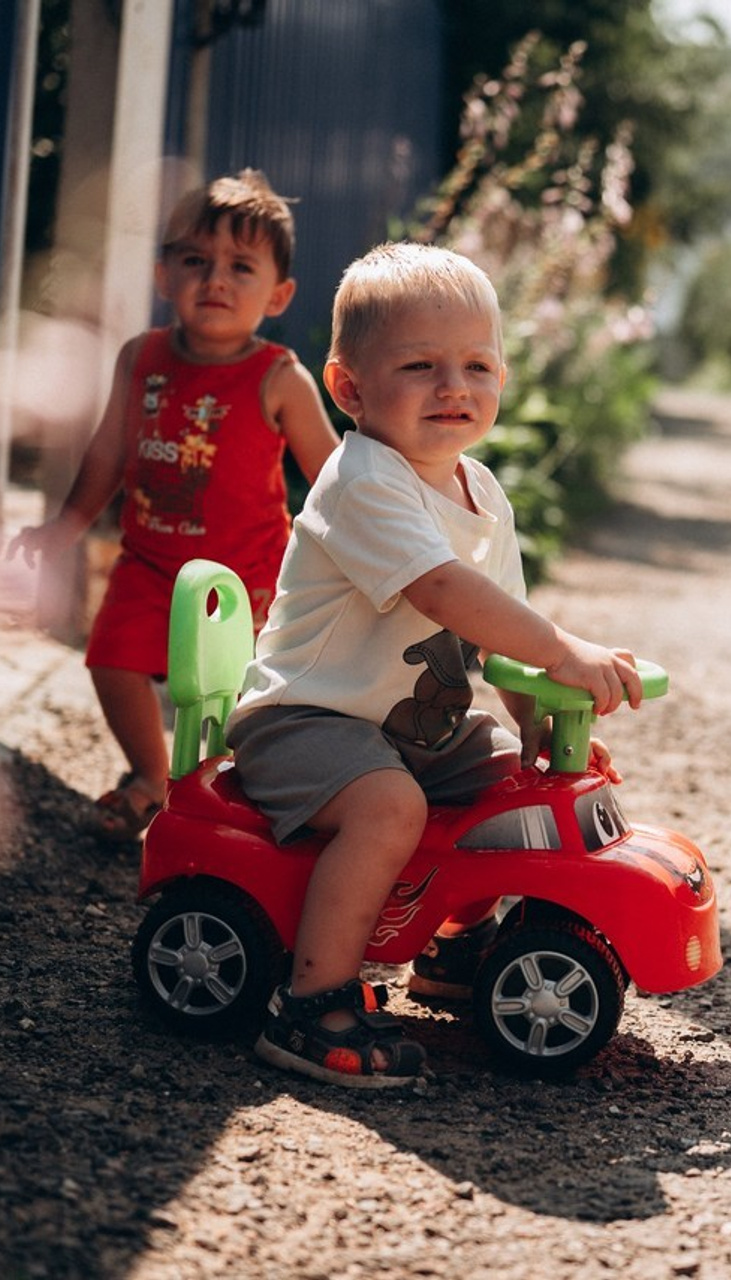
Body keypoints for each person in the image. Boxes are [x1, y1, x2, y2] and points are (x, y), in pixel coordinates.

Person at [224, 241, 642, 1089]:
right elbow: (452, 596)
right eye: (420, 365)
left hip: (411, 726)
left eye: (476, 365)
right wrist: (566, 649)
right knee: (387, 806)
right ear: (349, 389)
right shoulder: (363, 482)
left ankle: (455, 946)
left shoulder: (482, 493)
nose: (455, 388)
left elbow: (498, 636)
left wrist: (537, 721)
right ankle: (311, 1002)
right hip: (310, 718)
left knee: (506, 785)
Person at [6, 170, 339, 842]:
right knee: (110, 660)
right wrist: (63, 526)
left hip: (244, 581)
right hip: (150, 564)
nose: (215, 279)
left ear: (278, 294)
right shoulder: (142, 358)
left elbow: (333, 477)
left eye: (240, 267)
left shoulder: (280, 377)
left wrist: (351, 554)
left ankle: (228, 799)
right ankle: (148, 779)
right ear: (164, 276)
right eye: (195, 260)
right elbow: (106, 455)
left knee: (237, 701)